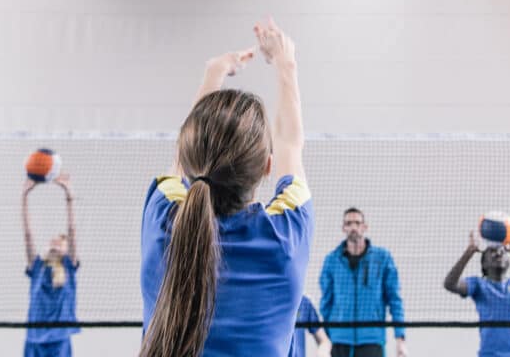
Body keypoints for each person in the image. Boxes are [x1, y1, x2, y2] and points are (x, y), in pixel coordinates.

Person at [140, 18, 313, 357]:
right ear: (267, 166)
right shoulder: (286, 236)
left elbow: (184, 152)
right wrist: (284, 63)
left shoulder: (162, 221)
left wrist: (213, 75)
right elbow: (291, 144)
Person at [320, 208, 407, 357]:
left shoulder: (382, 259)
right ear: (343, 228)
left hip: (372, 340)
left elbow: (394, 300)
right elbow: (326, 302)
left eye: (357, 223)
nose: (353, 227)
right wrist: (328, 337)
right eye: (349, 223)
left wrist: (400, 340)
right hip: (340, 341)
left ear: (364, 227)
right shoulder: (332, 261)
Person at [22, 173, 79, 357]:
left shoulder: (69, 266)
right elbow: (28, 234)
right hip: (34, 338)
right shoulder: (37, 267)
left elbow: (71, 229)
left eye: (60, 243)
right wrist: (24, 197)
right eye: (52, 241)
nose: (55, 243)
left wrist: (68, 194)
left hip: (59, 339)